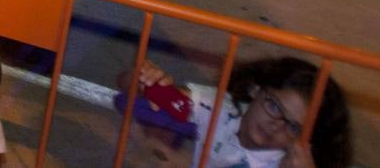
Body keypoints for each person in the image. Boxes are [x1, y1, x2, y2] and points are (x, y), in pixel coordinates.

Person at [136, 57, 350, 168]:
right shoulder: (221, 109)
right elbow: (129, 87)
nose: (276, 125)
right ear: (255, 88)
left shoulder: (287, 162)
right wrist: (148, 80)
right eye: (274, 107)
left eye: (293, 127)